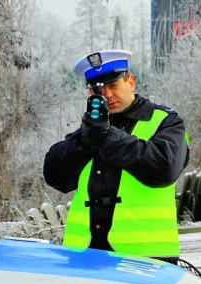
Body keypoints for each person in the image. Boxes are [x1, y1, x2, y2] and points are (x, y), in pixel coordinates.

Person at [43, 50, 189, 259]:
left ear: (130, 82)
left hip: (147, 257)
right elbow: (55, 176)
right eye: (99, 90)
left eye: (113, 86)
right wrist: (85, 140)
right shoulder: (90, 129)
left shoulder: (166, 121)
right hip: (83, 254)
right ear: (91, 95)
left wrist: (108, 137)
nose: (107, 95)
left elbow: (164, 170)